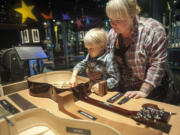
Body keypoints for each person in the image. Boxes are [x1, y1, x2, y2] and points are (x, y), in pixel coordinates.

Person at [89, 0, 168, 101]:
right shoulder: (112, 35)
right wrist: (96, 71)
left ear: (132, 15)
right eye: (110, 19)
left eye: (118, 20)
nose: (112, 24)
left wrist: (143, 91)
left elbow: (157, 64)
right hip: (123, 92)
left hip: (151, 93)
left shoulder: (152, 31)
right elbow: (109, 62)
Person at [70, 28, 120, 94]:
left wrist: (102, 85)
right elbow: (81, 64)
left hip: (106, 92)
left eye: (91, 48)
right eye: (87, 48)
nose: (89, 51)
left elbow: (115, 78)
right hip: (92, 90)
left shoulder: (108, 59)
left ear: (102, 46)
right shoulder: (90, 56)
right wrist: (74, 76)